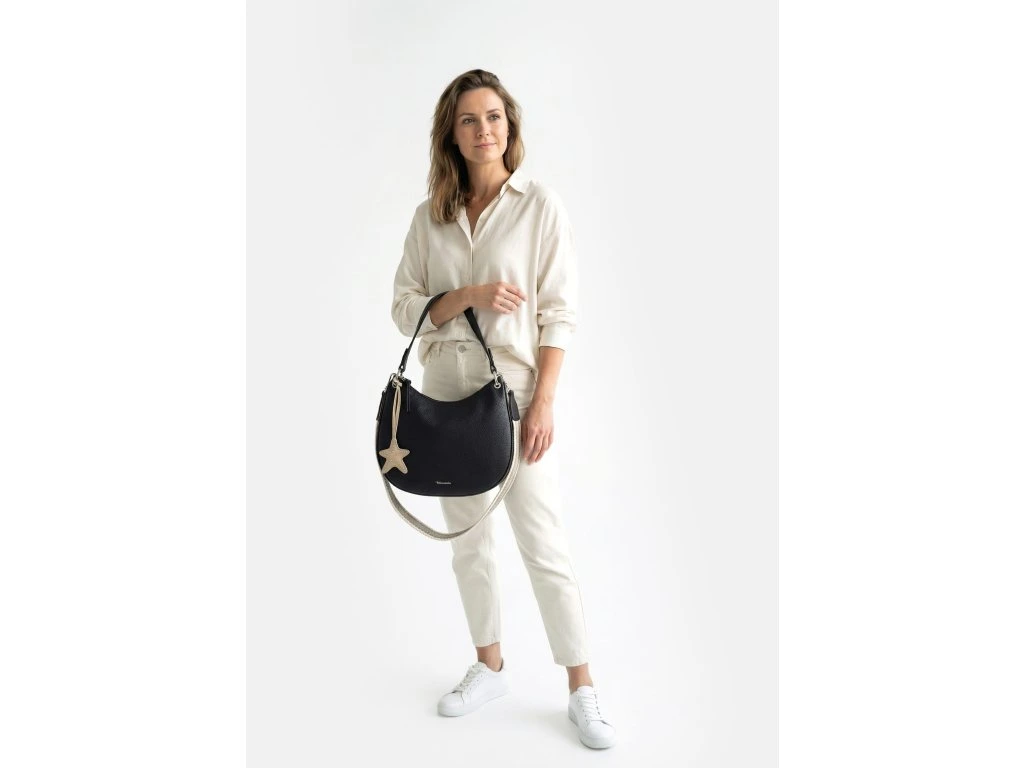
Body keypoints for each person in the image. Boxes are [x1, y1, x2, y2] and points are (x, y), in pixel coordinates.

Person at [389, 69, 616, 750]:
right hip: (444, 395)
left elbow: (559, 312)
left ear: (509, 126)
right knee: (469, 543)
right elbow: (403, 307)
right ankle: (489, 666)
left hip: (515, 399)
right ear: (452, 135)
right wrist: (465, 295)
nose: (484, 130)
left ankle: (581, 686)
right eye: (469, 119)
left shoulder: (539, 206)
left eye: (493, 117)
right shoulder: (430, 217)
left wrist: (544, 402)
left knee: (543, 545)